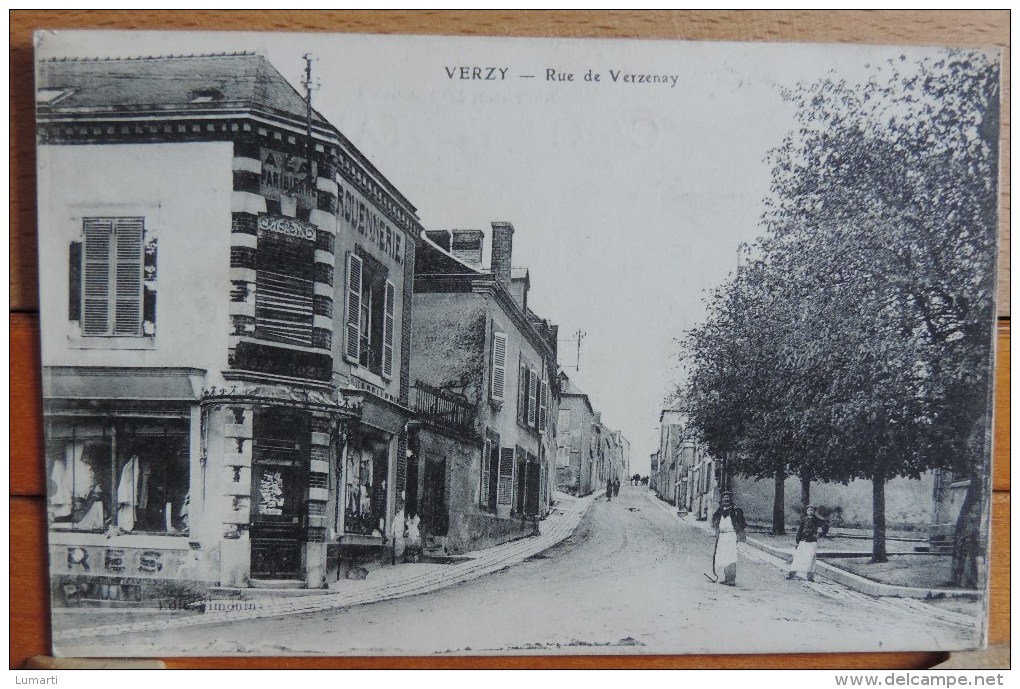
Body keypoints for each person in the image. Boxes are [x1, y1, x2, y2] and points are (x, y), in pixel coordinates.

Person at [711, 491, 747, 586]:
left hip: (731, 535)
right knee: (722, 556)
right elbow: (714, 521)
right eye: (724, 497)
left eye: (728, 497)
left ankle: (731, 579)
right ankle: (725, 577)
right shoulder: (719, 511)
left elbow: (742, 524)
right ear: (721, 499)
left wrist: (740, 535)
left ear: (730, 499)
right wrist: (716, 530)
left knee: (730, 557)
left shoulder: (736, 510)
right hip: (722, 536)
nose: (726, 499)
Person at [788, 504, 826, 582]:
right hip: (803, 541)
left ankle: (810, 576)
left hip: (812, 541)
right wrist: (797, 541)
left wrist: (820, 531)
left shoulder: (817, 520)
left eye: (812, 510)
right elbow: (800, 530)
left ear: (814, 511)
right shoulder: (804, 519)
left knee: (811, 558)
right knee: (798, 557)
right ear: (806, 511)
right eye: (808, 510)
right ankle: (792, 573)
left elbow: (825, 525)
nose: (810, 511)